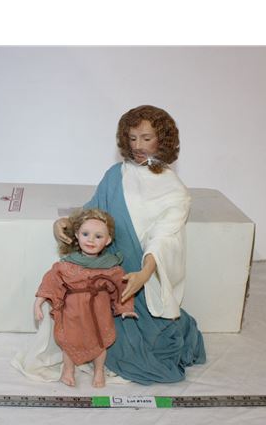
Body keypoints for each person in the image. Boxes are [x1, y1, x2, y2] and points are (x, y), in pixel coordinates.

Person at [53, 104, 206, 385]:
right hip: (106, 270)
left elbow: (164, 238)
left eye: (146, 138)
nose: (138, 146)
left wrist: (144, 274)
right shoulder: (116, 174)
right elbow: (94, 211)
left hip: (140, 277)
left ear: (163, 140)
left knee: (144, 346)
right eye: (132, 138)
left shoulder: (175, 190)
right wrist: (67, 223)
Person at [34, 208, 137, 388]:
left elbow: (123, 287)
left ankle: (99, 370)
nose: (90, 240)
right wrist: (39, 301)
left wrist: (126, 308)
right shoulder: (67, 264)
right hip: (72, 311)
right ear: (77, 234)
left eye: (98, 236)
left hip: (99, 312)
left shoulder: (112, 266)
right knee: (69, 340)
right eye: (85, 234)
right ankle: (68, 370)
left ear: (108, 240)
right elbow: (52, 281)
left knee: (100, 340)